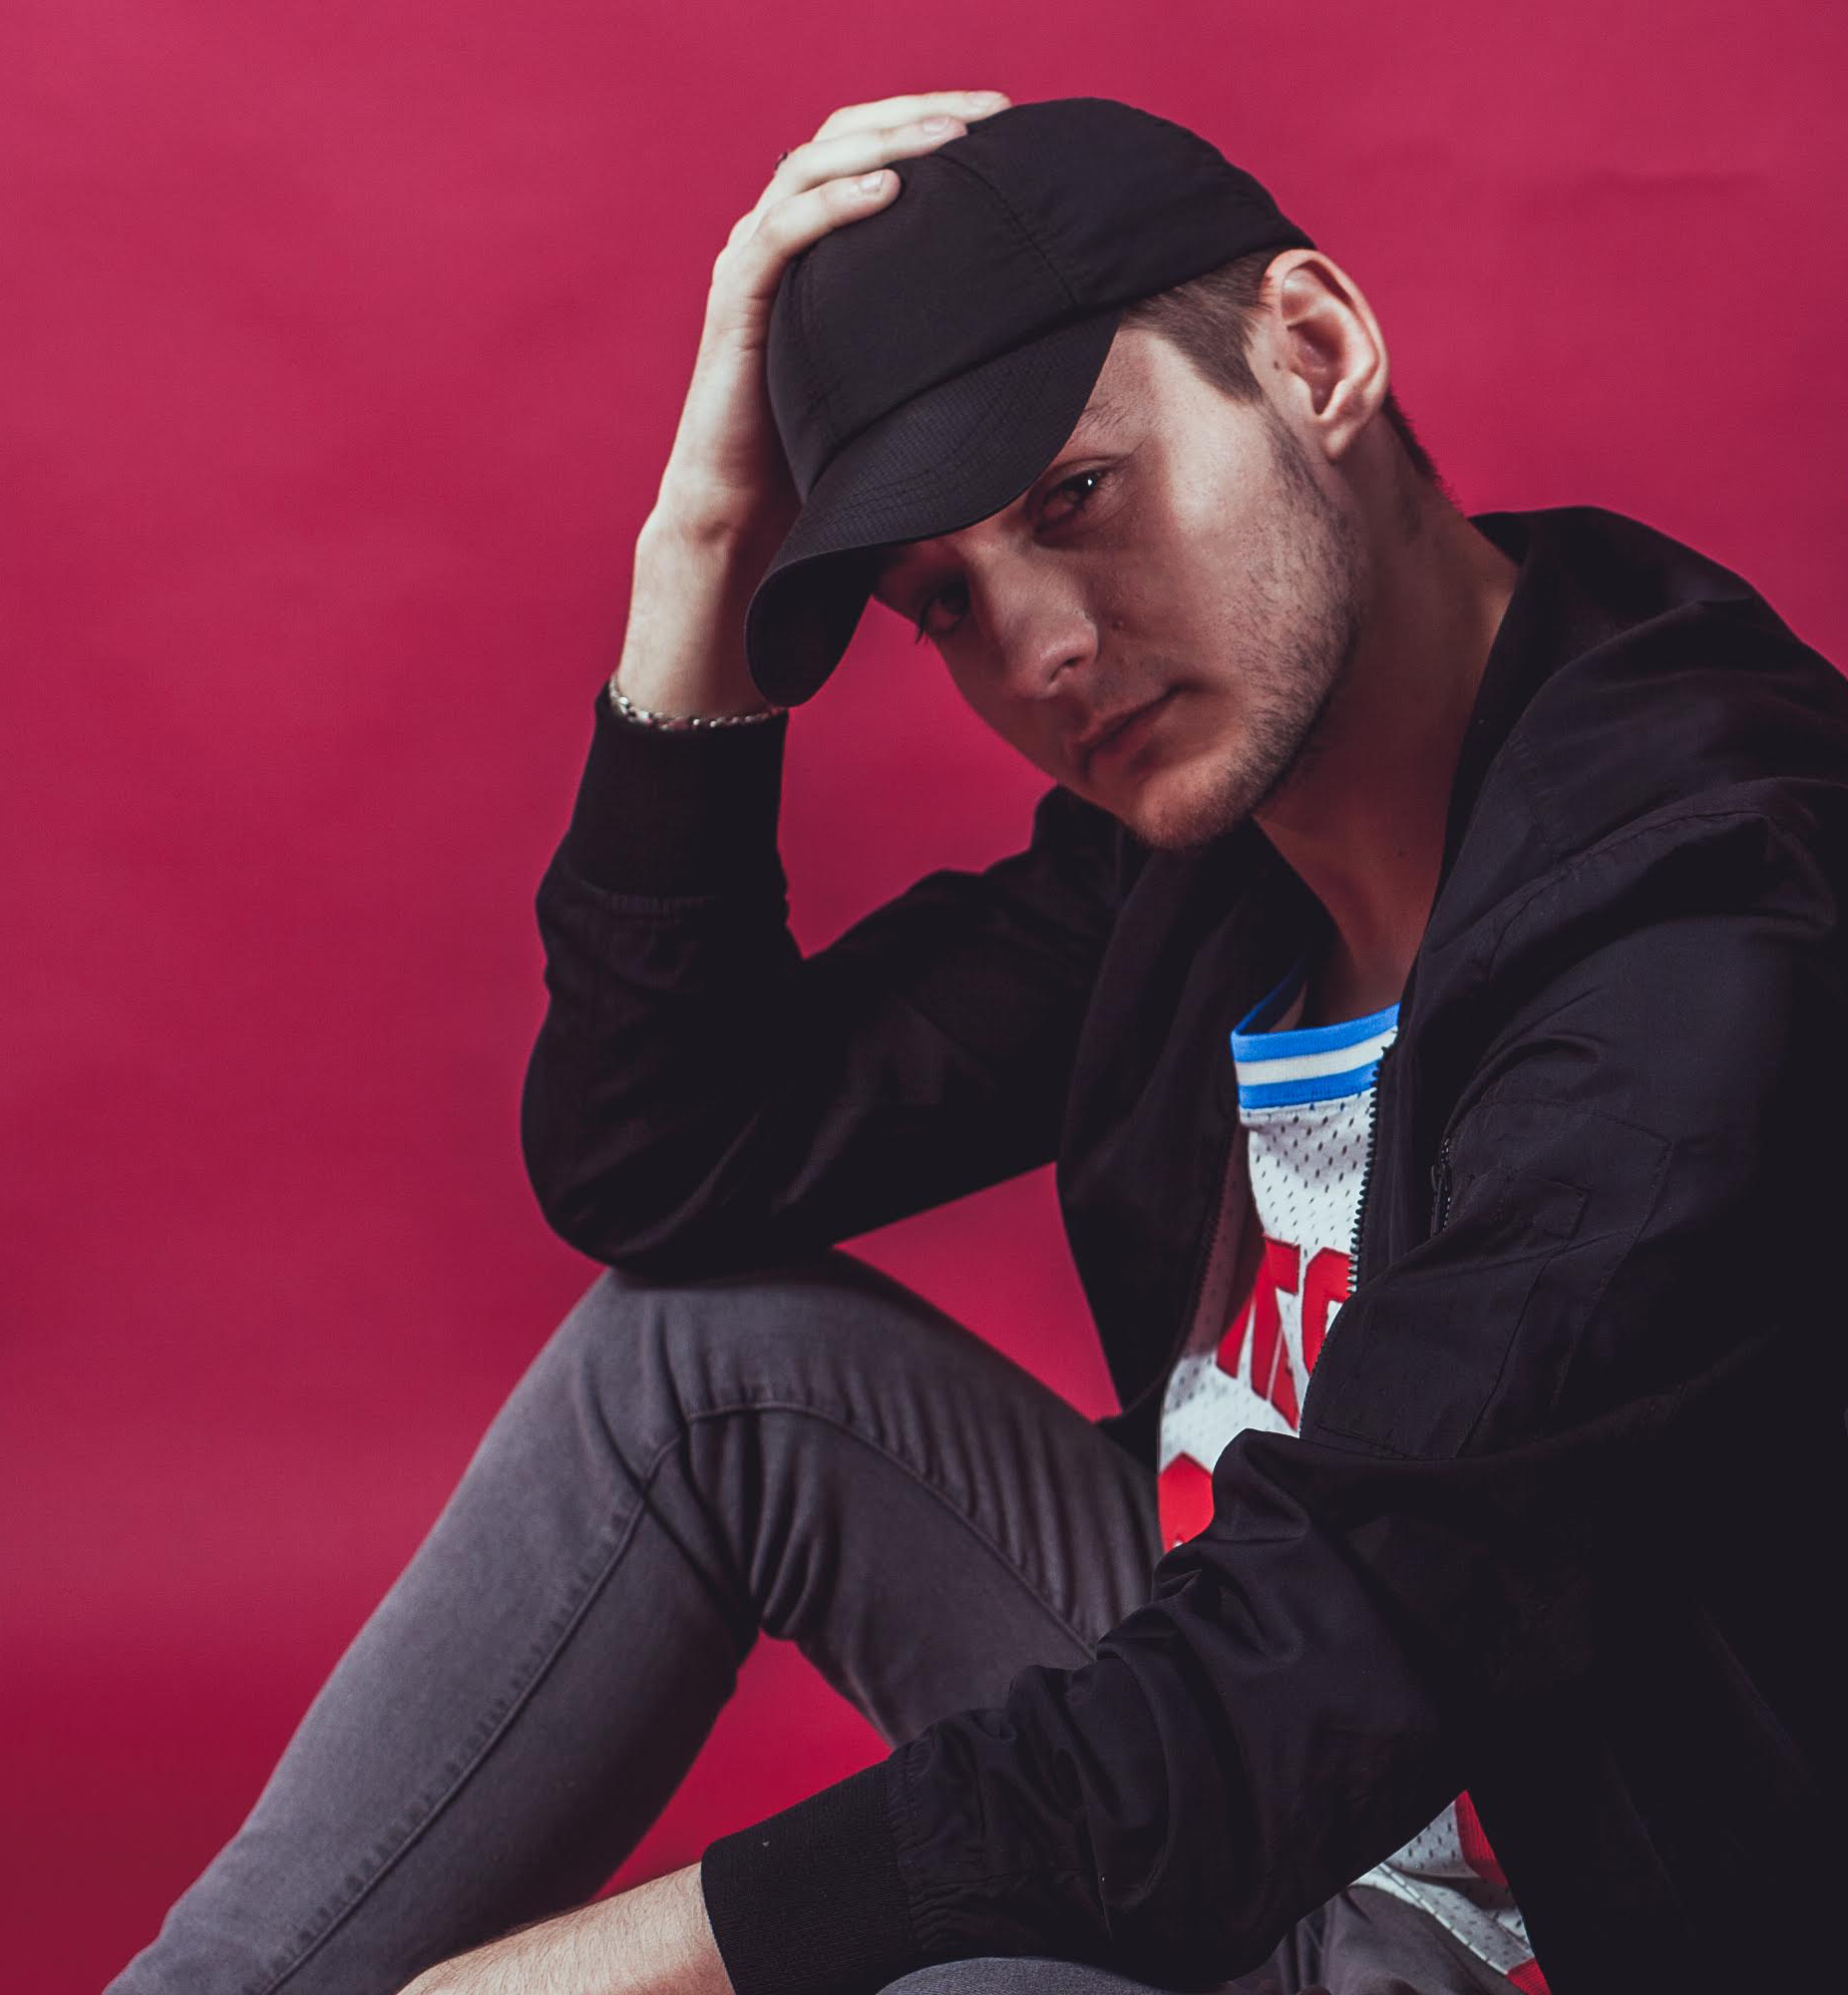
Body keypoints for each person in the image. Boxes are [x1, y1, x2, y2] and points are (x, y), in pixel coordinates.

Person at [105, 90, 1847, 1995]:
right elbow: (664, 1159)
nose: (1039, 655)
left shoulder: (1710, 914)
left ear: (1313, 350)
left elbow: (1324, 1671)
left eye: (1074, 498)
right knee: (698, 1362)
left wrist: (591, 1969)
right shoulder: (1205, 862)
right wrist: (701, 547)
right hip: (1262, 1787)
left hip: (1577, 1905)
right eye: (945, 603)